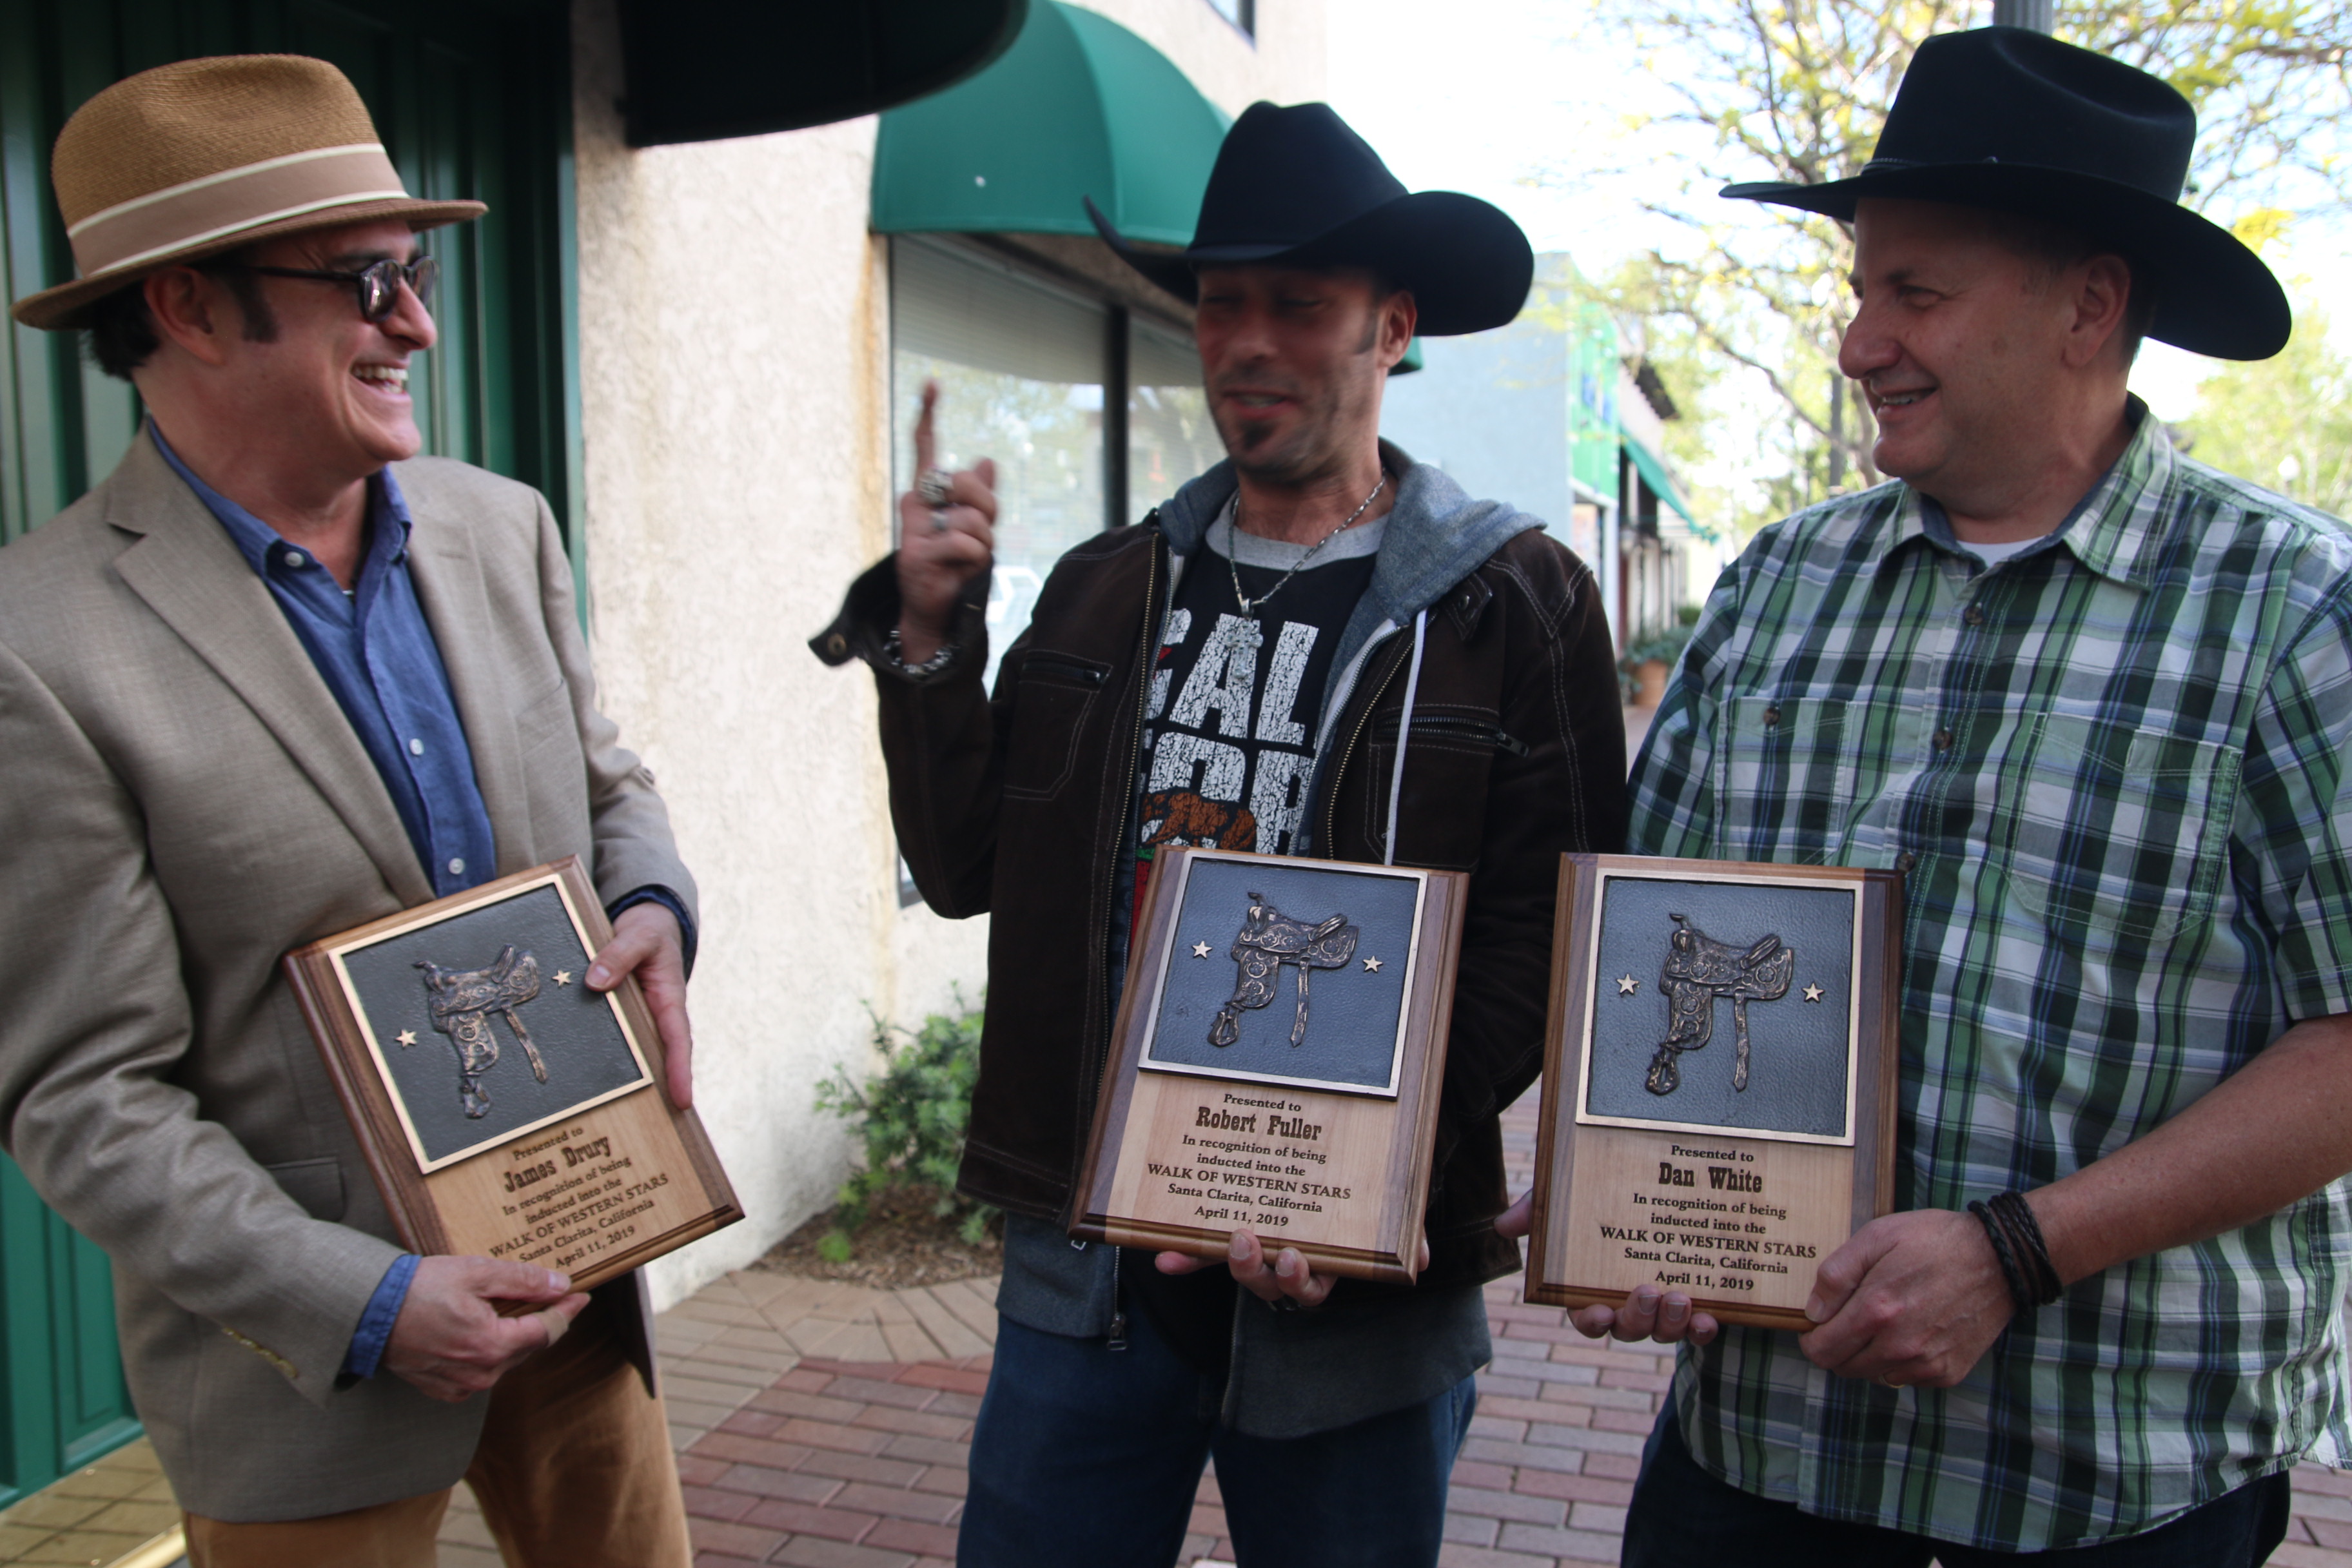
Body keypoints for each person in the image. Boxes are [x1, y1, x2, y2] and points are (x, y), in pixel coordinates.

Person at [812, 102, 1626, 1566]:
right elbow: (967, 867)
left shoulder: (1514, 604)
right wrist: (927, 637)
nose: (1247, 342)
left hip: (1356, 1298)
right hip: (1089, 1278)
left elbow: (1550, 939)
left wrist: (1358, 1167)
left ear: (1393, 329)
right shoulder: (1105, 586)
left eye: (1297, 306)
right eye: (1220, 303)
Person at [1578, 26, 2352, 1564]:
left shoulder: (2292, 614)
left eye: (1914, 293)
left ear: (2091, 304)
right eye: (1862, 290)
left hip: (2109, 1488)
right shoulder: (1779, 588)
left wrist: (2017, 1251)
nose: (1859, 343)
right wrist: (1624, 1194)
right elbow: (1648, 937)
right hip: (1758, 1461)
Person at [0, 55, 700, 1566]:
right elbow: (83, 1094)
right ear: (189, 307)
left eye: (416, 275)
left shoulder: (501, 526)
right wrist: (370, 1303)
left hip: (583, 1287)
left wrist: (652, 906)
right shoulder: (34, 645)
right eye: (367, 282)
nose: (419, 326)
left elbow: (608, 783)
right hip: (310, 1376)